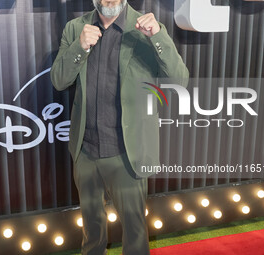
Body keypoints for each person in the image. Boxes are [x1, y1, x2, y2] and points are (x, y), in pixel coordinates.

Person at [51, 0, 189, 254]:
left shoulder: (148, 29)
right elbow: (59, 80)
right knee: (92, 230)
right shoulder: (75, 28)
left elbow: (179, 80)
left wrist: (157, 37)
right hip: (86, 151)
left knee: (135, 233)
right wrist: (79, 47)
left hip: (127, 151)